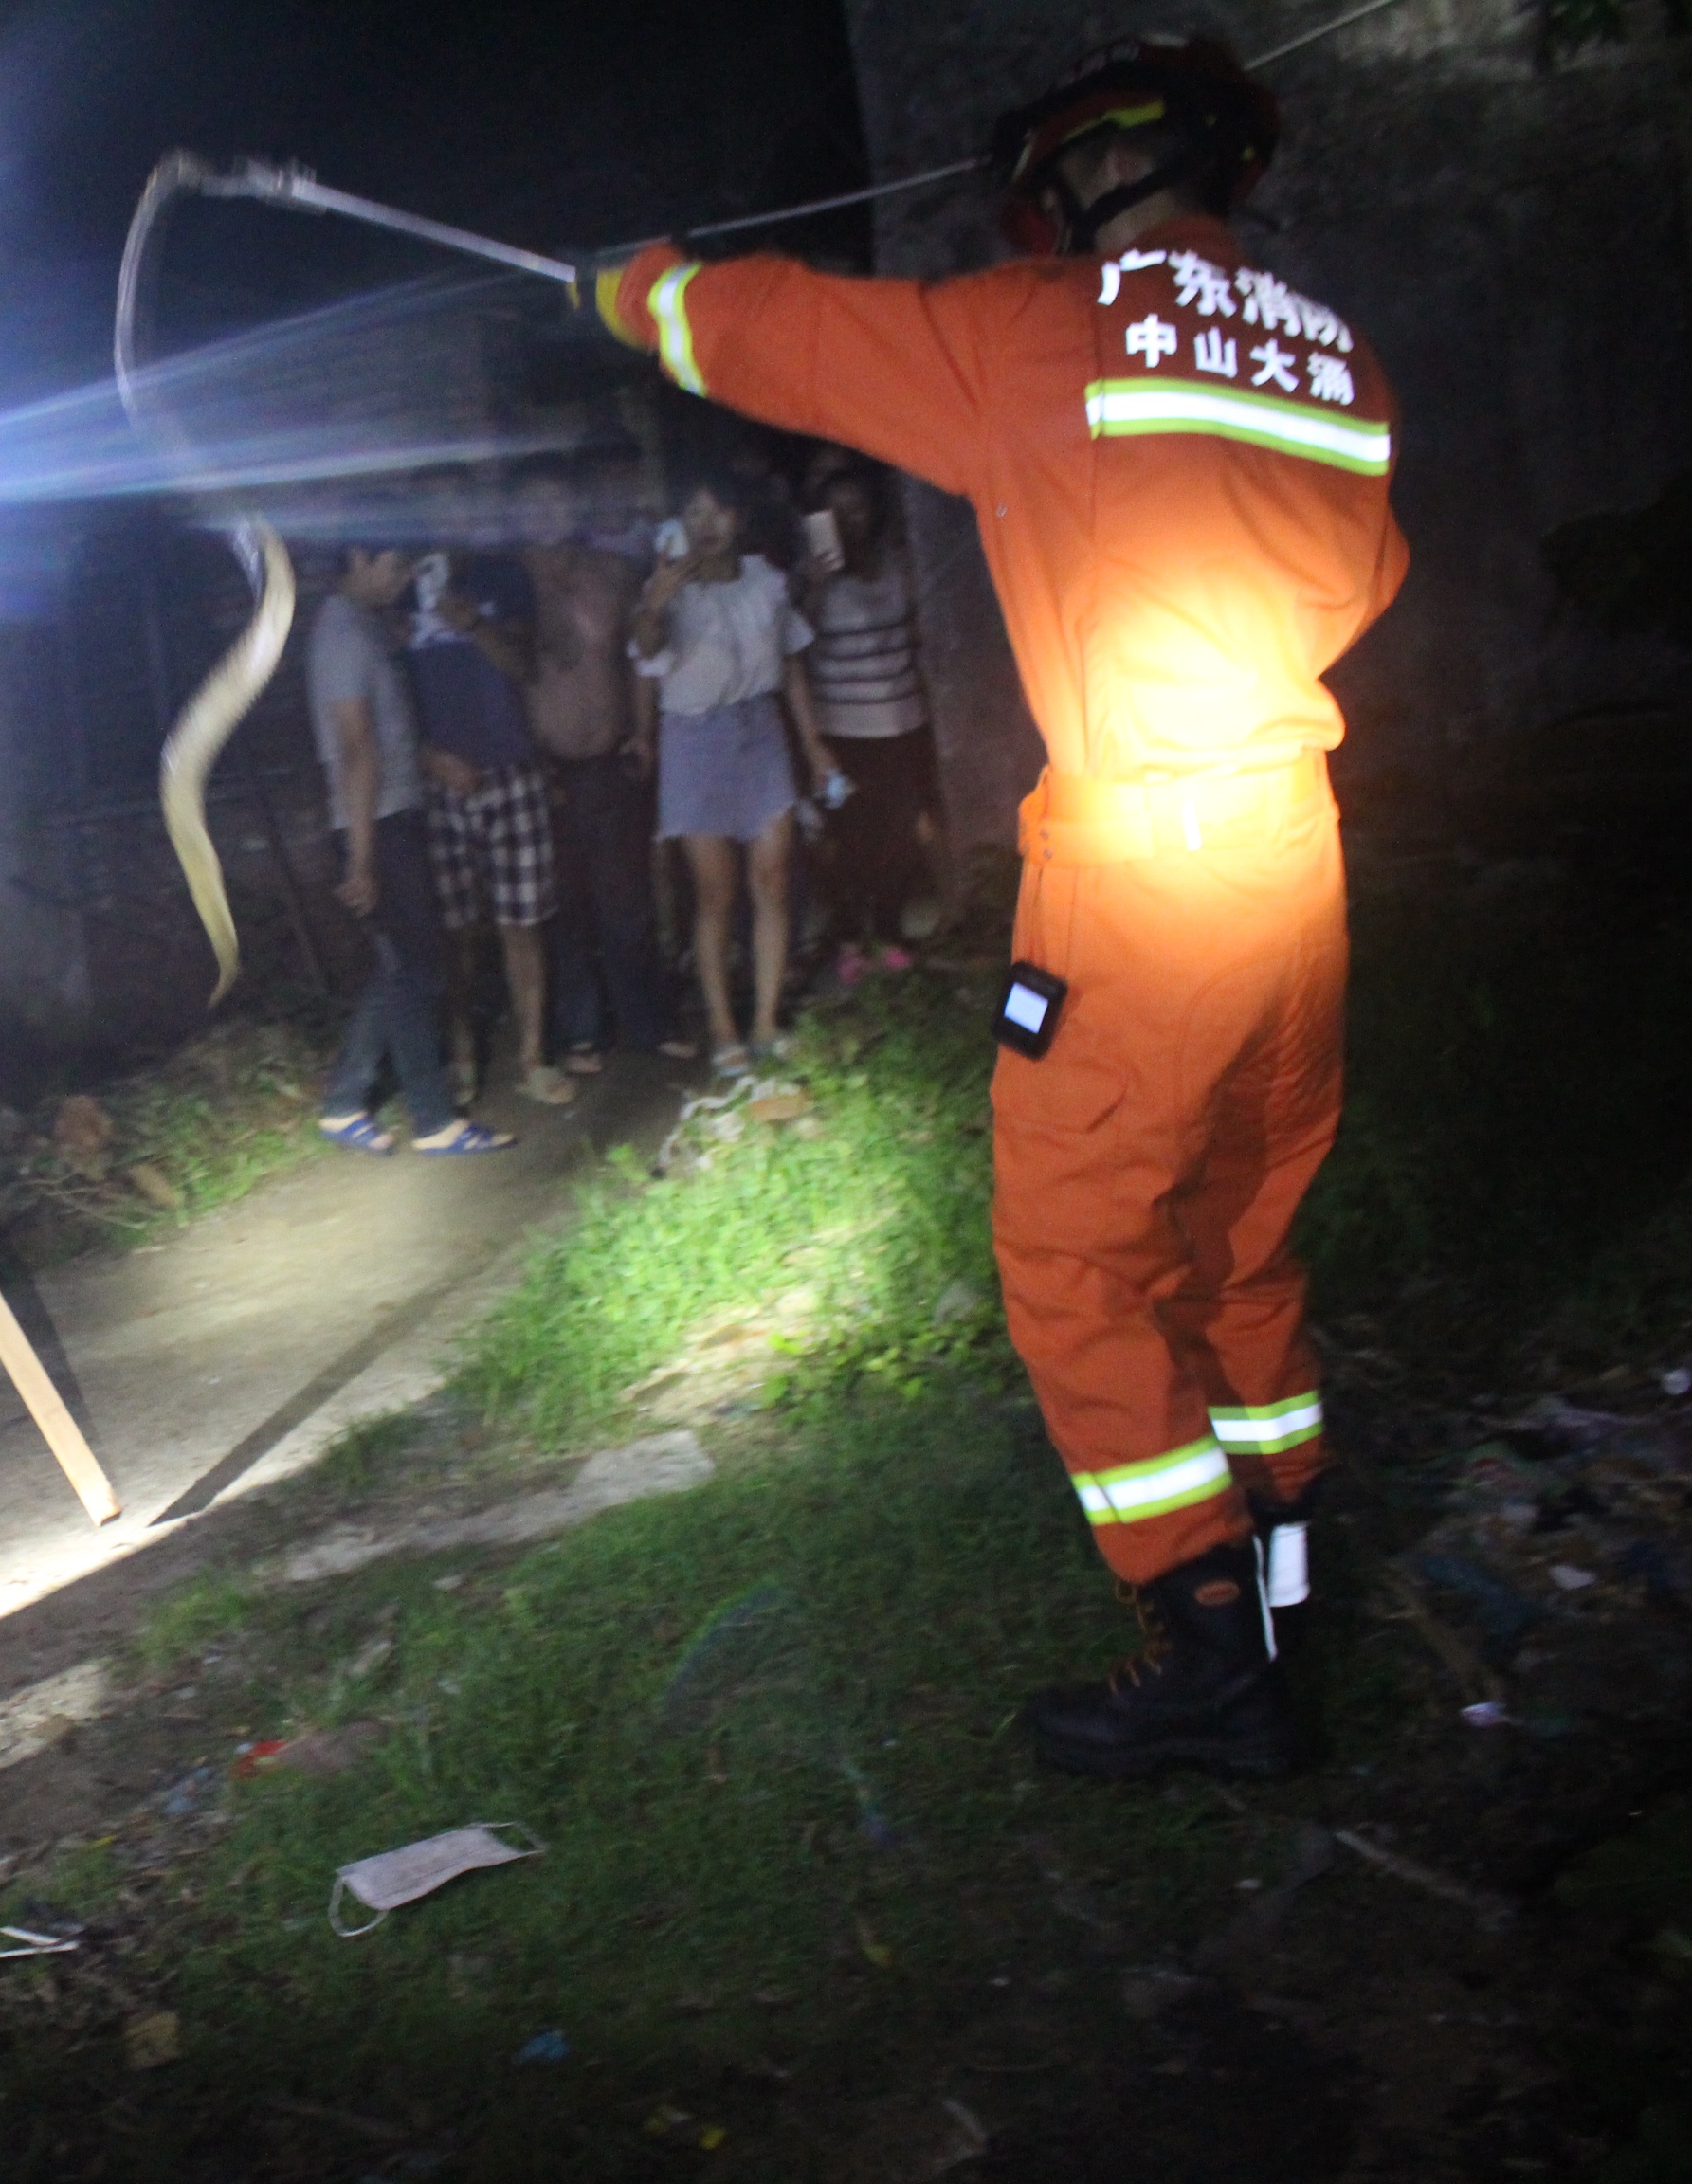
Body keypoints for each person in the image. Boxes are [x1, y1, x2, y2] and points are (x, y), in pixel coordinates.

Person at [585, 32, 1404, 1777]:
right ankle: (1289, 1558)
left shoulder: (1054, 333)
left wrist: (641, 292)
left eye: (1058, 186)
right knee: (1241, 1229)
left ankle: (1210, 1653)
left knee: (1074, 1255)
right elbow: (1370, 575)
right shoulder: (1333, 357)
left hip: (1150, 876)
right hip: (1295, 850)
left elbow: (794, 335)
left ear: (1095, 174)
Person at [302, 542, 514, 1156]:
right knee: (417, 968)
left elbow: (383, 733)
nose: (403, 580)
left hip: (389, 816)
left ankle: (345, 1104)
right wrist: (362, 857)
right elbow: (355, 748)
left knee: (402, 967)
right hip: (378, 824)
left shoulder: (360, 626)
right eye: (395, 567)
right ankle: (432, 1117)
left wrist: (432, 762)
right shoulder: (342, 634)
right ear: (358, 557)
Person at [632, 477, 843, 1072]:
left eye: (719, 510)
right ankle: (723, 1028)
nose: (707, 524)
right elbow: (644, 651)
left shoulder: (765, 581)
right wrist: (655, 603)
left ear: (739, 520)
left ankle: (766, 1022)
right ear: (680, 522)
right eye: (694, 512)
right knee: (715, 893)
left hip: (761, 731)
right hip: (693, 740)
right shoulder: (666, 589)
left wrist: (815, 747)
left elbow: (791, 665)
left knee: (772, 880)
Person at [516, 464, 683, 1069]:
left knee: (627, 902)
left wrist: (643, 731)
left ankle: (646, 1023)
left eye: (558, 503)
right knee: (562, 907)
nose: (547, 516)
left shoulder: (611, 574)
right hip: (542, 769)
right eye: (534, 505)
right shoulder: (509, 581)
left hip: (610, 761)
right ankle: (583, 1030)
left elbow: (638, 656)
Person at [406, 544, 570, 1107]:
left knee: (521, 923)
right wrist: (427, 756)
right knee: (455, 934)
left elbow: (525, 668)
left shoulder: (501, 579)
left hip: (512, 771)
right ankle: (463, 1057)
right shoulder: (402, 592)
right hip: (439, 785)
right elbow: (392, 696)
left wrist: (472, 623)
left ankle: (533, 1058)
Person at [798, 464, 952, 967]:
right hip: (840, 732)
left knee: (899, 832)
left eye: (857, 508)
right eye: (836, 511)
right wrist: (814, 586)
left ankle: (888, 930)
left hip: (902, 723)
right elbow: (794, 647)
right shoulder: (809, 577)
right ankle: (848, 937)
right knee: (845, 835)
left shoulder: (898, 565)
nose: (849, 520)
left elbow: (921, 633)